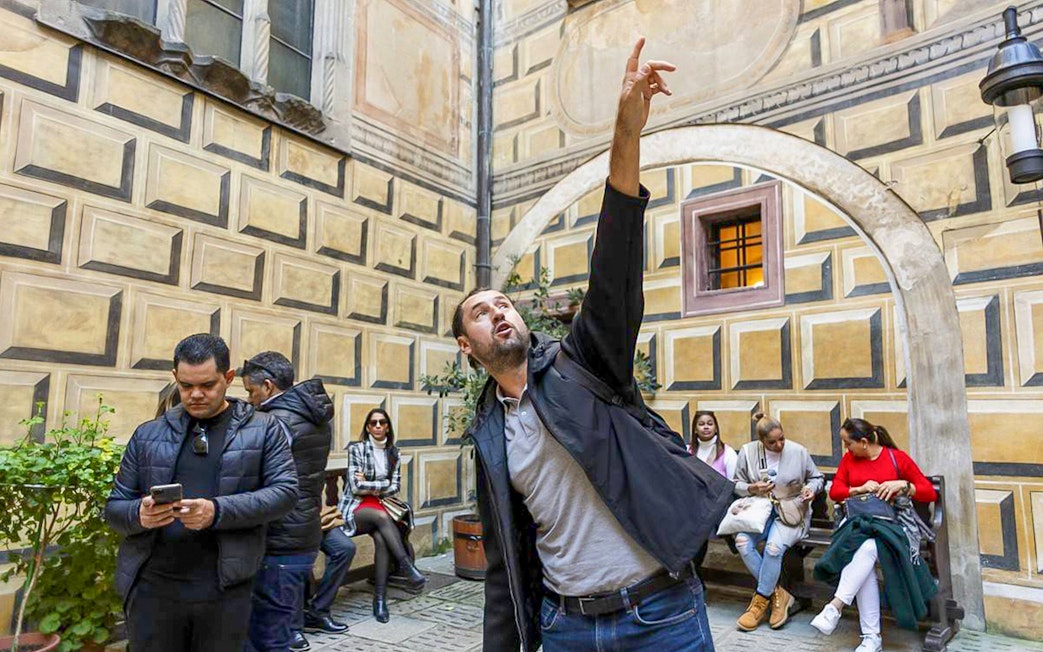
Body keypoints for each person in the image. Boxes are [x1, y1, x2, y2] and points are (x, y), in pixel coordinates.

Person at [452, 38, 734, 652]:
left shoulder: (582, 365)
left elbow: (612, 275)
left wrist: (626, 134)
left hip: (659, 615)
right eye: (480, 312)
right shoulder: (489, 432)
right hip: (566, 628)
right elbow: (504, 561)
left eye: (503, 302)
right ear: (466, 347)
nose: (498, 310)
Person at [104, 334, 298, 652]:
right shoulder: (148, 434)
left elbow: (285, 493)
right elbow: (114, 508)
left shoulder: (265, 429)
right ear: (175, 379)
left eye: (207, 385)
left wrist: (216, 511)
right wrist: (137, 514)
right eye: (185, 385)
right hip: (153, 590)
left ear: (229, 377)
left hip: (225, 589)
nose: (195, 395)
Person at [810, 418, 938, 652]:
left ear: (864, 442)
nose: (846, 449)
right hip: (857, 526)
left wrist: (902, 484)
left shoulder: (896, 459)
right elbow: (836, 492)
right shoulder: (850, 460)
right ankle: (870, 638)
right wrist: (858, 489)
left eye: (848, 444)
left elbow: (929, 493)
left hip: (894, 529)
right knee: (866, 552)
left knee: (866, 548)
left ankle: (839, 609)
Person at [242, 351, 341, 652]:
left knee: (269, 635)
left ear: (268, 386)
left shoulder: (276, 422)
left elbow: (263, 476)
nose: (249, 399)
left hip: (280, 535)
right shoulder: (314, 415)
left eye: (250, 391)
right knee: (280, 627)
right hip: (305, 529)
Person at [731, 413, 823, 632]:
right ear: (761, 441)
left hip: (791, 512)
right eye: (772, 442)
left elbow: (817, 477)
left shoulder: (798, 451)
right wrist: (752, 488)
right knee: (742, 542)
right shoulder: (748, 452)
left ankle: (759, 602)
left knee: (773, 548)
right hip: (760, 511)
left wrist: (811, 489)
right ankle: (778, 594)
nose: (779, 444)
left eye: (781, 438)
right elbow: (735, 483)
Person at [339, 407, 426, 623]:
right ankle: (407, 567)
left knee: (381, 537)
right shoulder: (357, 449)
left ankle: (380, 601)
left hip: (381, 506)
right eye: (373, 423)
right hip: (356, 508)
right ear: (367, 427)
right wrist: (381, 484)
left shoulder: (394, 453)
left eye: (382, 422)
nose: (377, 426)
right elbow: (356, 487)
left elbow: (394, 487)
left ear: (388, 426)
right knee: (382, 519)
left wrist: (373, 484)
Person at [690, 410, 737, 578]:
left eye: (710, 424)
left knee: (698, 530)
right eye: (701, 424)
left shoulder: (727, 452)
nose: (706, 427)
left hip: (719, 504)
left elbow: (733, 483)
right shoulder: (688, 451)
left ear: (716, 428)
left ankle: (694, 576)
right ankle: (694, 576)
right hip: (694, 505)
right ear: (695, 429)